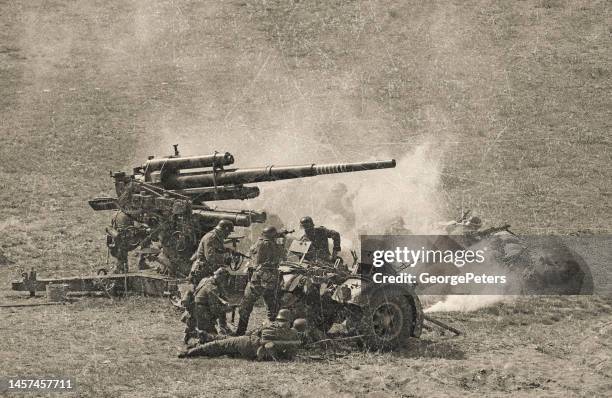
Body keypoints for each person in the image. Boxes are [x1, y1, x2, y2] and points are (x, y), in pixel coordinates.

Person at [178, 309, 301, 360]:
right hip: (253, 352)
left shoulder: (270, 327)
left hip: (249, 344)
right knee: (225, 341)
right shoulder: (293, 334)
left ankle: (190, 352)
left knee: (219, 345)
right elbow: (290, 355)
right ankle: (205, 338)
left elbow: (254, 332)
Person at [235, 226, 286, 336]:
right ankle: (272, 332)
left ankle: (240, 332)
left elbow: (255, 259)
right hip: (270, 280)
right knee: (272, 308)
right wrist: (281, 241)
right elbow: (283, 257)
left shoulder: (260, 242)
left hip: (257, 279)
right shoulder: (273, 244)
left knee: (246, 306)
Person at [191, 267, 233, 344]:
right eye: (224, 280)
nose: (224, 282)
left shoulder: (205, 279)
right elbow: (214, 310)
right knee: (214, 339)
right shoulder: (213, 288)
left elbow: (222, 294)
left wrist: (225, 301)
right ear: (221, 278)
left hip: (195, 308)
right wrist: (226, 309)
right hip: (202, 312)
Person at [189, 220, 234, 285]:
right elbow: (210, 258)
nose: (229, 234)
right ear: (224, 230)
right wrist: (225, 258)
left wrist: (227, 250)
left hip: (206, 270)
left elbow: (217, 249)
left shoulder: (216, 237)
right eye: (229, 232)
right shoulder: (211, 237)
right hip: (201, 272)